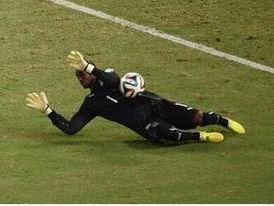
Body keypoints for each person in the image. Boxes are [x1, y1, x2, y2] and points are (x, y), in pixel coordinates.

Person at [26, 50, 245, 145]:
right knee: (165, 133)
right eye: (78, 76)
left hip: (157, 105)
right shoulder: (92, 103)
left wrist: (88, 66)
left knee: (196, 116)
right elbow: (71, 128)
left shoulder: (109, 77)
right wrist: (48, 111)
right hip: (144, 124)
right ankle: (202, 138)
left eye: (82, 73)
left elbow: (113, 80)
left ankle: (223, 121)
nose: (81, 78)